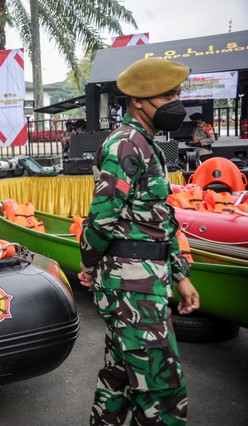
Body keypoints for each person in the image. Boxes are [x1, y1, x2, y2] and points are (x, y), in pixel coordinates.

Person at [77, 57, 200, 425]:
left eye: (178, 93)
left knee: (119, 380)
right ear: (139, 101)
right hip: (132, 289)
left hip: (143, 283)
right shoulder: (126, 145)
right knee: (164, 394)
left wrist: (180, 275)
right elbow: (101, 219)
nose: (177, 102)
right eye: (168, 95)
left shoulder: (146, 144)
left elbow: (161, 220)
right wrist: (88, 264)